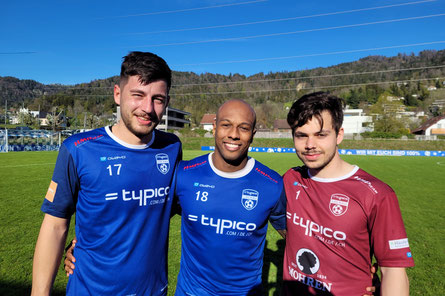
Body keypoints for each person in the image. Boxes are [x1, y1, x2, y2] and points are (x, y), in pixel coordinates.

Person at [31, 51, 182, 296]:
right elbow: (55, 224)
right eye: (138, 95)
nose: (147, 108)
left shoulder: (172, 147)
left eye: (158, 99)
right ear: (117, 94)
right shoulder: (78, 149)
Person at [281, 92, 414, 295]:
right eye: (302, 136)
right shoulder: (290, 179)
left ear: (339, 135)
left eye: (321, 135)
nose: (310, 145)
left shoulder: (377, 194)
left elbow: (393, 270)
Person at [173, 99, 286, 295]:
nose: (233, 135)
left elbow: (298, 237)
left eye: (243, 128)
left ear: (253, 134)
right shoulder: (184, 174)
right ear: (215, 127)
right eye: (226, 125)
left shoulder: (272, 184)